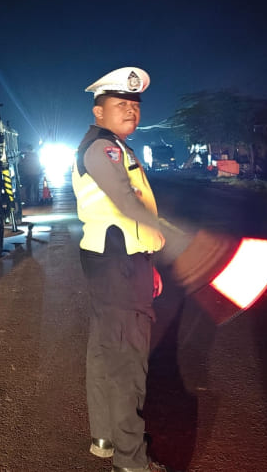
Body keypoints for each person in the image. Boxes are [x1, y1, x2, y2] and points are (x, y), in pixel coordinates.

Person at [71, 67, 179, 472]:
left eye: (134, 105)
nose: (130, 111)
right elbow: (125, 202)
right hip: (118, 262)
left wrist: (147, 259)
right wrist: (186, 242)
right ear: (99, 112)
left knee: (105, 350)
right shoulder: (103, 149)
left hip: (118, 259)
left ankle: (105, 437)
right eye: (120, 105)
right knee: (128, 363)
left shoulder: (112, 145)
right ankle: (131, 460)